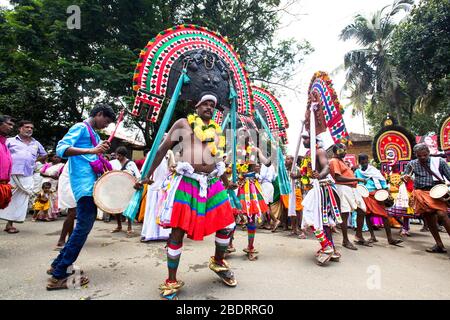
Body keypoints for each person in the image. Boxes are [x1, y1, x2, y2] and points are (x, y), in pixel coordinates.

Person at [136, 94, 237, 299]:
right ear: (196, 106)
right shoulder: (183, 123)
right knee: (177, 231)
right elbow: (162, 149)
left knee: (227, 224)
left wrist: (227, 183)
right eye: (206, 104)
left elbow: (217, 159)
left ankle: (218, 261)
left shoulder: (216, 131)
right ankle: (172, 280)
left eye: (213, 105)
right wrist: (146, 175)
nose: (209, 107)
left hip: (213, 182)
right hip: (187, 182)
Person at [46, 104, 115, 290]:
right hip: (83, 186)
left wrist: (99, 152)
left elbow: (91, 157)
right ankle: (59, 275)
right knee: (82, 229)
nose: (106, 126)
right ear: (99, 114)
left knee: (81, 229)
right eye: (106, 121)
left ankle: (57, 265)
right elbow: (61, 149)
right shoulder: (80, 127)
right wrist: (92, 151)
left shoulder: (93, 134)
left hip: (89, 185)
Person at [300, 132, 342, 265]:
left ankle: (326, 247)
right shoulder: (308, 154)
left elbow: (326, 167)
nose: (303, 140)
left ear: (314, 139)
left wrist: (320, 175)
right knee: (323, 221)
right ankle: (332, 249)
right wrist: (295, 175)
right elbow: (306, 174)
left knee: (309, 216)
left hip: (323, 188)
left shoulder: (319, 151)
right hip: (316, 188)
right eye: (302, 138)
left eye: (306, 138)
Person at [0, 120, 47, 233]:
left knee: (19, 200)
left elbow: (44, 154)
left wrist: (34, 161)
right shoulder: (10, 141)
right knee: (4, 197)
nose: (29, 129)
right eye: (27, 127)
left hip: (27, 174)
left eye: (31, 128)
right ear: (20, 128)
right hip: (10, 174)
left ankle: (9, 225)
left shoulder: (36, 143)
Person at [402, 143, 450, 254]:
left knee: (442, 215)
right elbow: (404, 177)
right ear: (416, 155)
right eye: (419, 156)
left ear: (429, 153)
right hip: (421, 193)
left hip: (436, 193)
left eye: (425, 155)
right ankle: (439, 244)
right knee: (429, 218)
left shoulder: (439, 162)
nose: (423, 157)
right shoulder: (412, 164)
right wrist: (406, 178)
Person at [354, 154, 403, 246]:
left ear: (368, 161)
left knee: (384, 215)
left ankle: (390, 238)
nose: (364, 163)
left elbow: (382, 180)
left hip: (376, 194)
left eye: (365, 161)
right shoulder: (357, 172)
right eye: (362, 161)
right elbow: (355, 182)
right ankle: (372, 236)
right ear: (359, 162)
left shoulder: (374, 170)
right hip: (364, 195)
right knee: (367, 216)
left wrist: (386, 192)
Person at [329, 143, 370, 250]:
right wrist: (357, 179)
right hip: (342, 188)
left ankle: (358, 236)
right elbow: (338, 178)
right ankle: (345, 240)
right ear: (336, 151)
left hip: (352, 188)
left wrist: (352, 172)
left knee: (362, 210)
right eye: (343, 150)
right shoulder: (334, 161)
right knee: (345, 214)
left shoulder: (341, 161)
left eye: (345, 150)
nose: (345, 152)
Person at [140, 148, 175, 242]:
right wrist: (146, 178)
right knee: (152, 210)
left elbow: (172, 168)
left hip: (165, 187)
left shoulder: (169, 153)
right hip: (153, 186)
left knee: (163, 211)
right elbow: (145, 170)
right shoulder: (151, 153)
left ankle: (165, 234)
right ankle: (149, 234)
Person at [109, 146, 140, 236]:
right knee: (117, 207)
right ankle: (119, 226)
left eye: (120, 156)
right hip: (118, 188)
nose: (118, 157)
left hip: (128, 189)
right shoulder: (115, 163)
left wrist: (137, 183)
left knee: (127, 207)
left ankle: (129, 227)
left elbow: (138, 175)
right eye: (117, 155)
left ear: (124, 155)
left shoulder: (131, 164)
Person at [55, 162, 77, 250]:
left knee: (72, 212)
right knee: (72, 212)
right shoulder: (79, 154)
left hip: (71, 183)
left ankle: (70, 238)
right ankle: (61, 240)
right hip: (69, 184)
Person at [285, 155, 305, 238]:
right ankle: (293, 229)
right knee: (291, 210)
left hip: (297, 190)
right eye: (286, 159)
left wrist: (296, 176)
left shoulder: (297, 168)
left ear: (293, 161)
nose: (286, 160)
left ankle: (298, 228)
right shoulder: (285, 170)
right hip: (289, 191)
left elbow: (303, 176)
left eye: (288, 159)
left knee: (298, 210)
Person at [40, 153, 65, 220]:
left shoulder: (61, 166)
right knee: (44, 197)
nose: (56, 158)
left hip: (54, 183)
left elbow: (62, 175)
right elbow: (41, 173)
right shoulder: (47, 165)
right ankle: (41, 215)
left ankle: (50, 215)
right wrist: (51, 176)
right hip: (45, 182)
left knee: (52, 199)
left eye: (58, 157)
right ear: (51, 158)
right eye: (55, 157)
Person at [0, 115, 14, 211]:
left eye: (12, 125)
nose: (11, 127)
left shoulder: (4, 144)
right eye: (9, 124)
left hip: (3, 185)